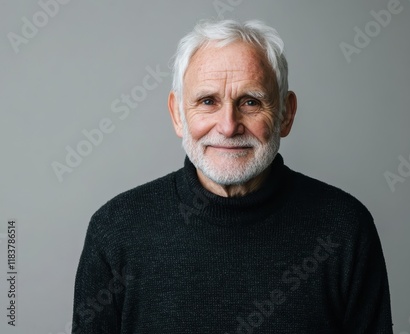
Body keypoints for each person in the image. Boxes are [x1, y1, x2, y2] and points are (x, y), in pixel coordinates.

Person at [72, 19, 393, 333]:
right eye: (208, 101)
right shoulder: (116, 230)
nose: (228, 126)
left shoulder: (344, 227)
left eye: (251, 102)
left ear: (285, 114)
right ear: (178, 115)